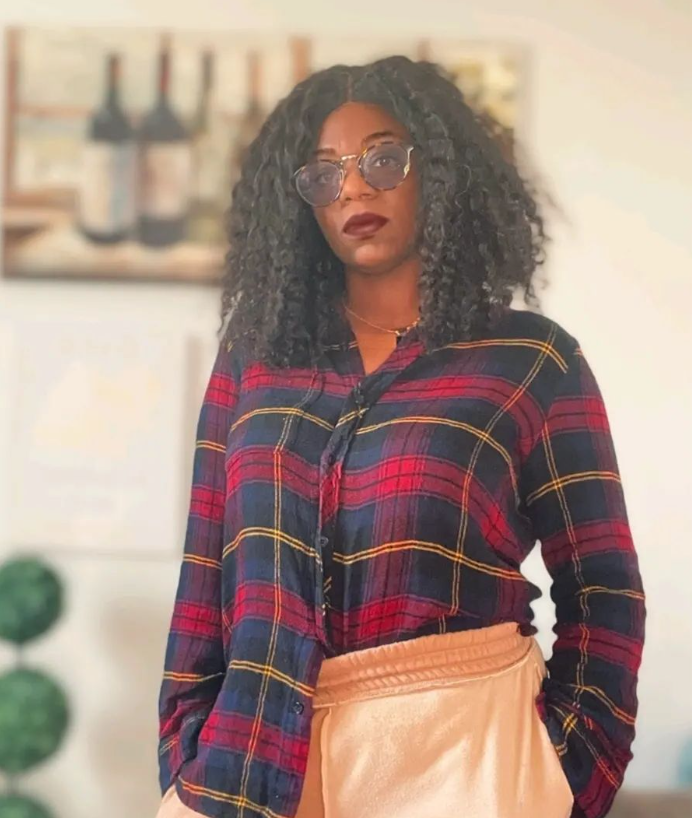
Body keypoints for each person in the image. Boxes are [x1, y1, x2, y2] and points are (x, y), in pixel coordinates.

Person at [154, 55, 645, 818]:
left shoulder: (531, 362)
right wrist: (185, 757)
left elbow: (604, 589)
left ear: (440, 173)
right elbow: (205, 573)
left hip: (467, 761)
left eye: (383, 159)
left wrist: (568, 773)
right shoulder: (255, 358)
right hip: (251, 763)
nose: (353, 188)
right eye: (323, 174)